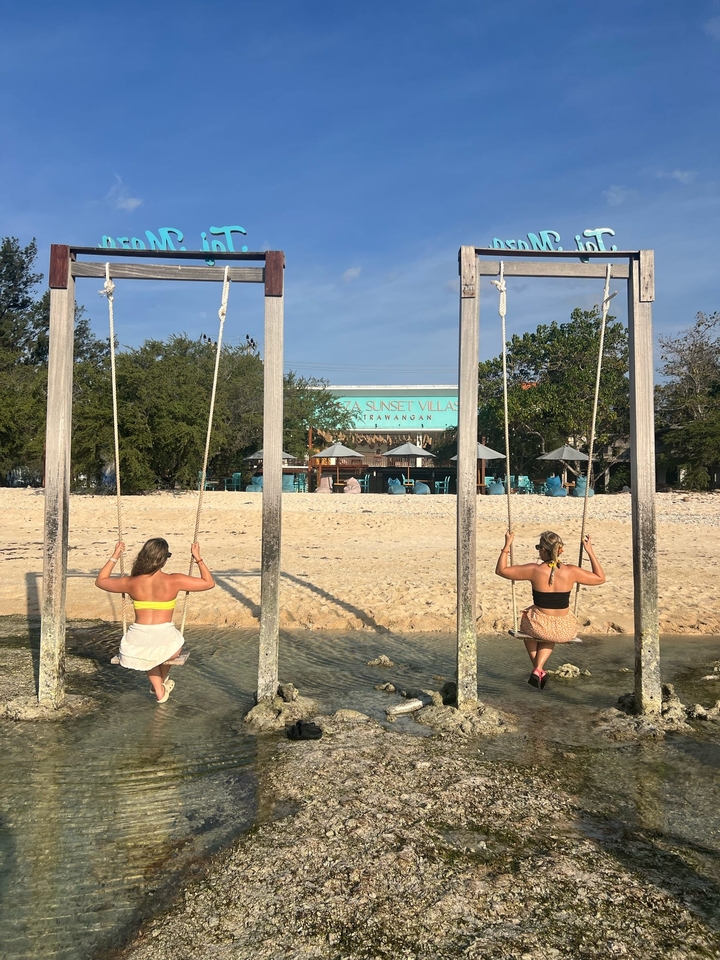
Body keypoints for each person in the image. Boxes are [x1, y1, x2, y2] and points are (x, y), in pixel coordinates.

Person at [95, 538, 215, 703]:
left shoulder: (132, 582)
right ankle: (159, 689)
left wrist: (115, 555)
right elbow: (209, 583)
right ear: (164, 560)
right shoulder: (174, 580)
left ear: (143, 557)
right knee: (170, 649)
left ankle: (159, 687)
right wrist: (198, 558)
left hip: (136, 640)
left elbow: (100, 581)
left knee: (149, 653)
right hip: (165, 637)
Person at [495, 530, 605, 689]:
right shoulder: (571, 571)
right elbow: (600, 578)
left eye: (538, 547)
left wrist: (506, 546)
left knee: (528, 625)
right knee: (549, 632)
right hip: (564, 630)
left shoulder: (534, 570)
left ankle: (538, 668)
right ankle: (539, 670)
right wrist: (590, 552)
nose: (538, 550)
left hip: (539, 627)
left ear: (544, 550)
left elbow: (501, 571)